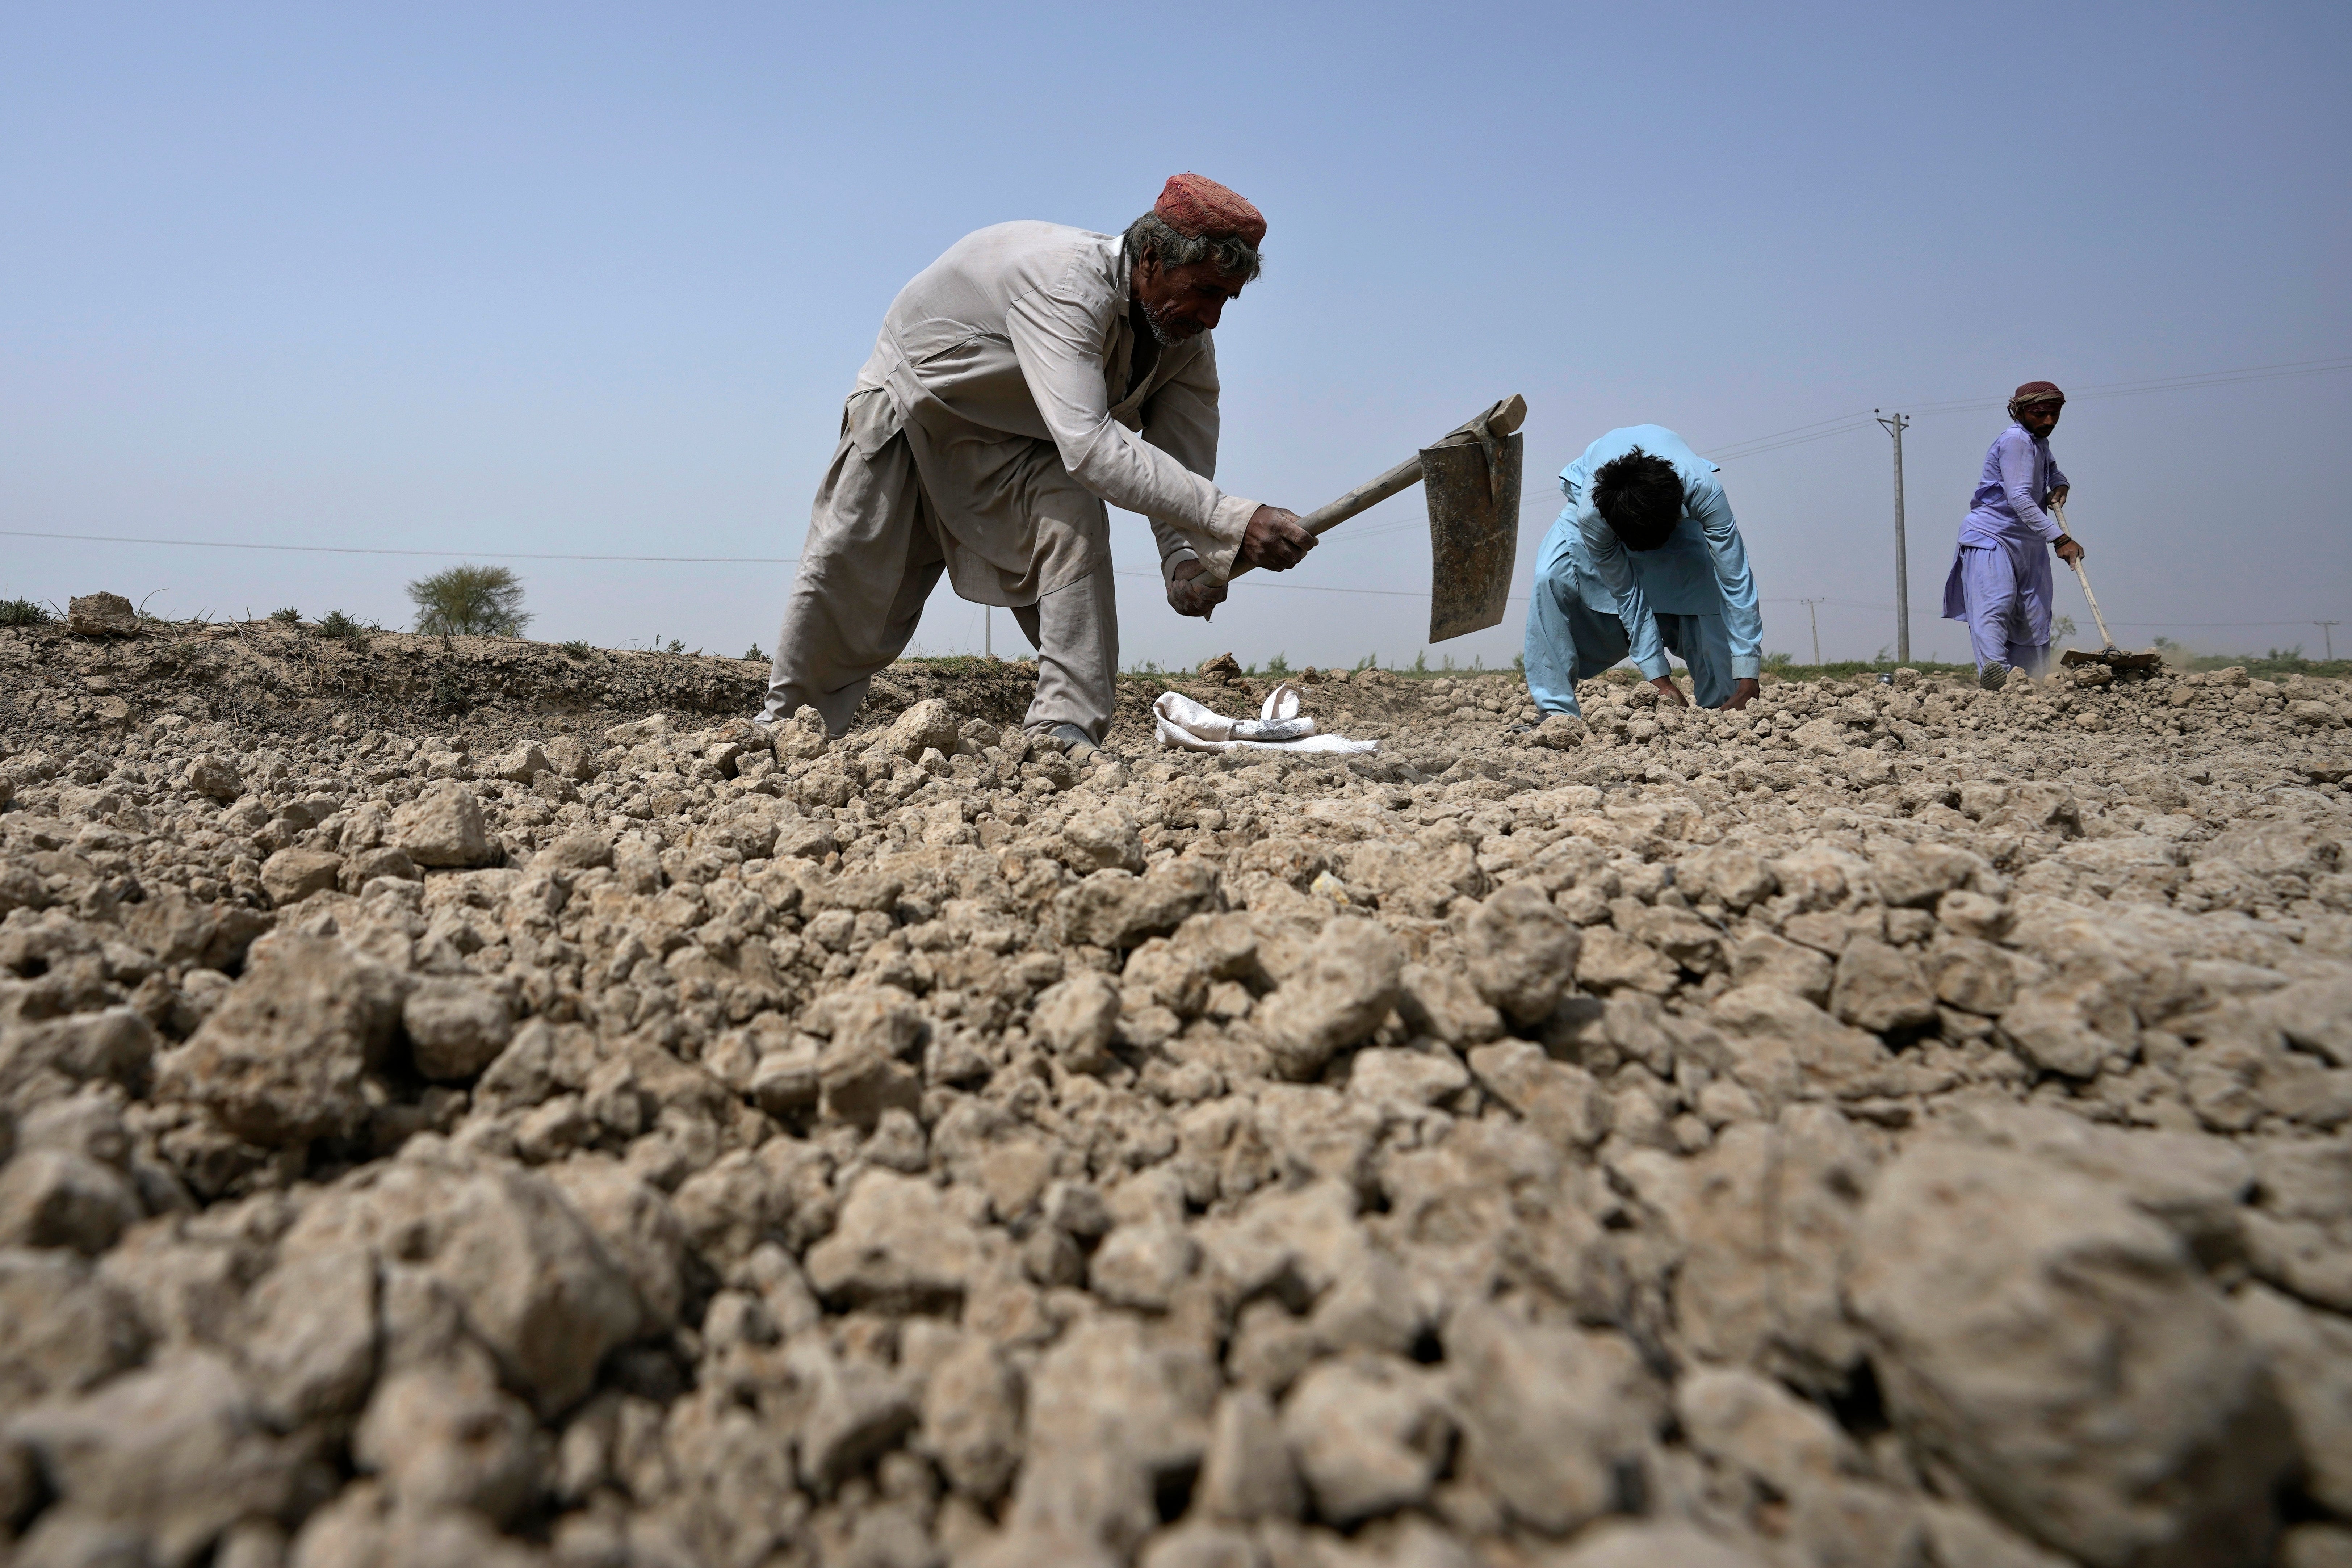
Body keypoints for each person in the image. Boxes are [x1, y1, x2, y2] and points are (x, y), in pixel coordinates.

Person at [756, 174, 1317, 758]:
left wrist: (1183, 557)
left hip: (1024, 441)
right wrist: (1237, 519)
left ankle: (1063, 733)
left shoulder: (1186, 343)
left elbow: (1180, 463)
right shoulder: (1067, 287)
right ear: (1151, 259)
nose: (1213, 317)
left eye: (1227, 299)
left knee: (1071, 520)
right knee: (848, 578)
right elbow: (1091, 447)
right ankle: (783, 735)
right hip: (916, 408)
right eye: (1204, 290)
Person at [1522, 425, 1762, 720]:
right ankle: (1556, 714)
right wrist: (1660, 682)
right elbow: (1627, 594)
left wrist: (1749, 676)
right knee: (1549, 577)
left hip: (1674, 509)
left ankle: (1723, 708)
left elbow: (1735, 580)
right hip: (1603, 507)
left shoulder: (1704, 493)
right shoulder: (1593, 515)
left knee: (1706, 593)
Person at [1942, 380, 2083, 688]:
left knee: (2034, 616)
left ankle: (2030, 684)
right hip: (1992, 536)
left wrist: (2060, 482)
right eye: (2040, 414)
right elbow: (2019, 497)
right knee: (1995, 605)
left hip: (2029, 540)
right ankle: (1999, 678)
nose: (2049, 421)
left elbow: (2050, 467)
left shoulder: (2038, 441)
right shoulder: (2015, 440)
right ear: (2019, 412)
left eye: (2055, 414)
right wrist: (2060, 539)